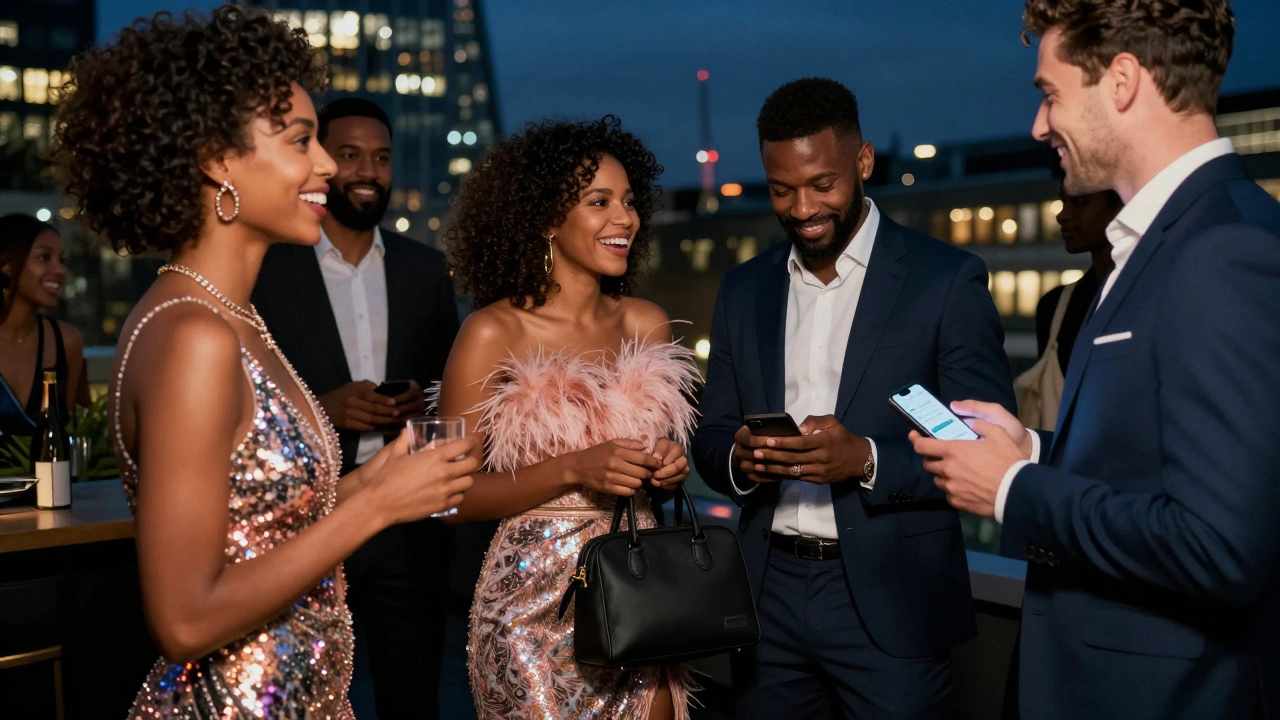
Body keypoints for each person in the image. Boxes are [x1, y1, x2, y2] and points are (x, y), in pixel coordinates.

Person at [52, 6, 476, 717]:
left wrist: (374, 477)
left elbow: (261, 525)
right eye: (302, 140)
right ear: (217, 159)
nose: (326, 165)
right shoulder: (194, 334)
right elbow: (185, 621)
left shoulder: (234, 317)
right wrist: (373, 505)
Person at [911, 1, 1280, 718]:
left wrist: (1014, 489)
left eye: (1050, 95)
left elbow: (1221, 547)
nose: (1038, 126)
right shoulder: (1157, 244)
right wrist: (1034, 450)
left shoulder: (1222, 252)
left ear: (1121, 81)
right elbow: (1154, 465)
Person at [691, 77, 1016, 719]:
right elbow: (708, 434)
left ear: (863, 162)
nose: (802, 207)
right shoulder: (743, 289)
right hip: (768, 596)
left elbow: (982, 444)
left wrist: (865, 458)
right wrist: (740, 460)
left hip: (894, 599)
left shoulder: (945, 281)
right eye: (782, 189)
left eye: (823, 185)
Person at [437, 116, 698, 720]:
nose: (625, 218)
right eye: (599, 201)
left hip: (642, 596)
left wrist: (668, 468)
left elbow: (658, 465)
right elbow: (446, 499)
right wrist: (575, 467)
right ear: (547, 219)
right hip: (530, 615)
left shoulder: (647, 322)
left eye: (629, 202)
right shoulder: (492, 332)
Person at [252, 97, 459, 720]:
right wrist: (326, 407)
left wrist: (420, 404)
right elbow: (251, 393)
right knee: (307, 700)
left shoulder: (427, 270)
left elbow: (452, 387)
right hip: (308, 520)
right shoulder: (267, 269)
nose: (368, 170)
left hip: (410, 530)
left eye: (382, 157)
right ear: (322, 164)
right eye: (349, 155)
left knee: (413, 698)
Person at [1014, 174, 1119, 429]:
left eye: (1080, 202)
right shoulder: (1054, 306)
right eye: (1063, 202)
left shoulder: (1156, 293)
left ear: (1123, 206)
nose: (1062, 215)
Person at [0, 214, 90, 417]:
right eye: (44, 257)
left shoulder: (67, 342)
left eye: (62, 260)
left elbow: (76, 429)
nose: (60, 271)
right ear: (7, 266)